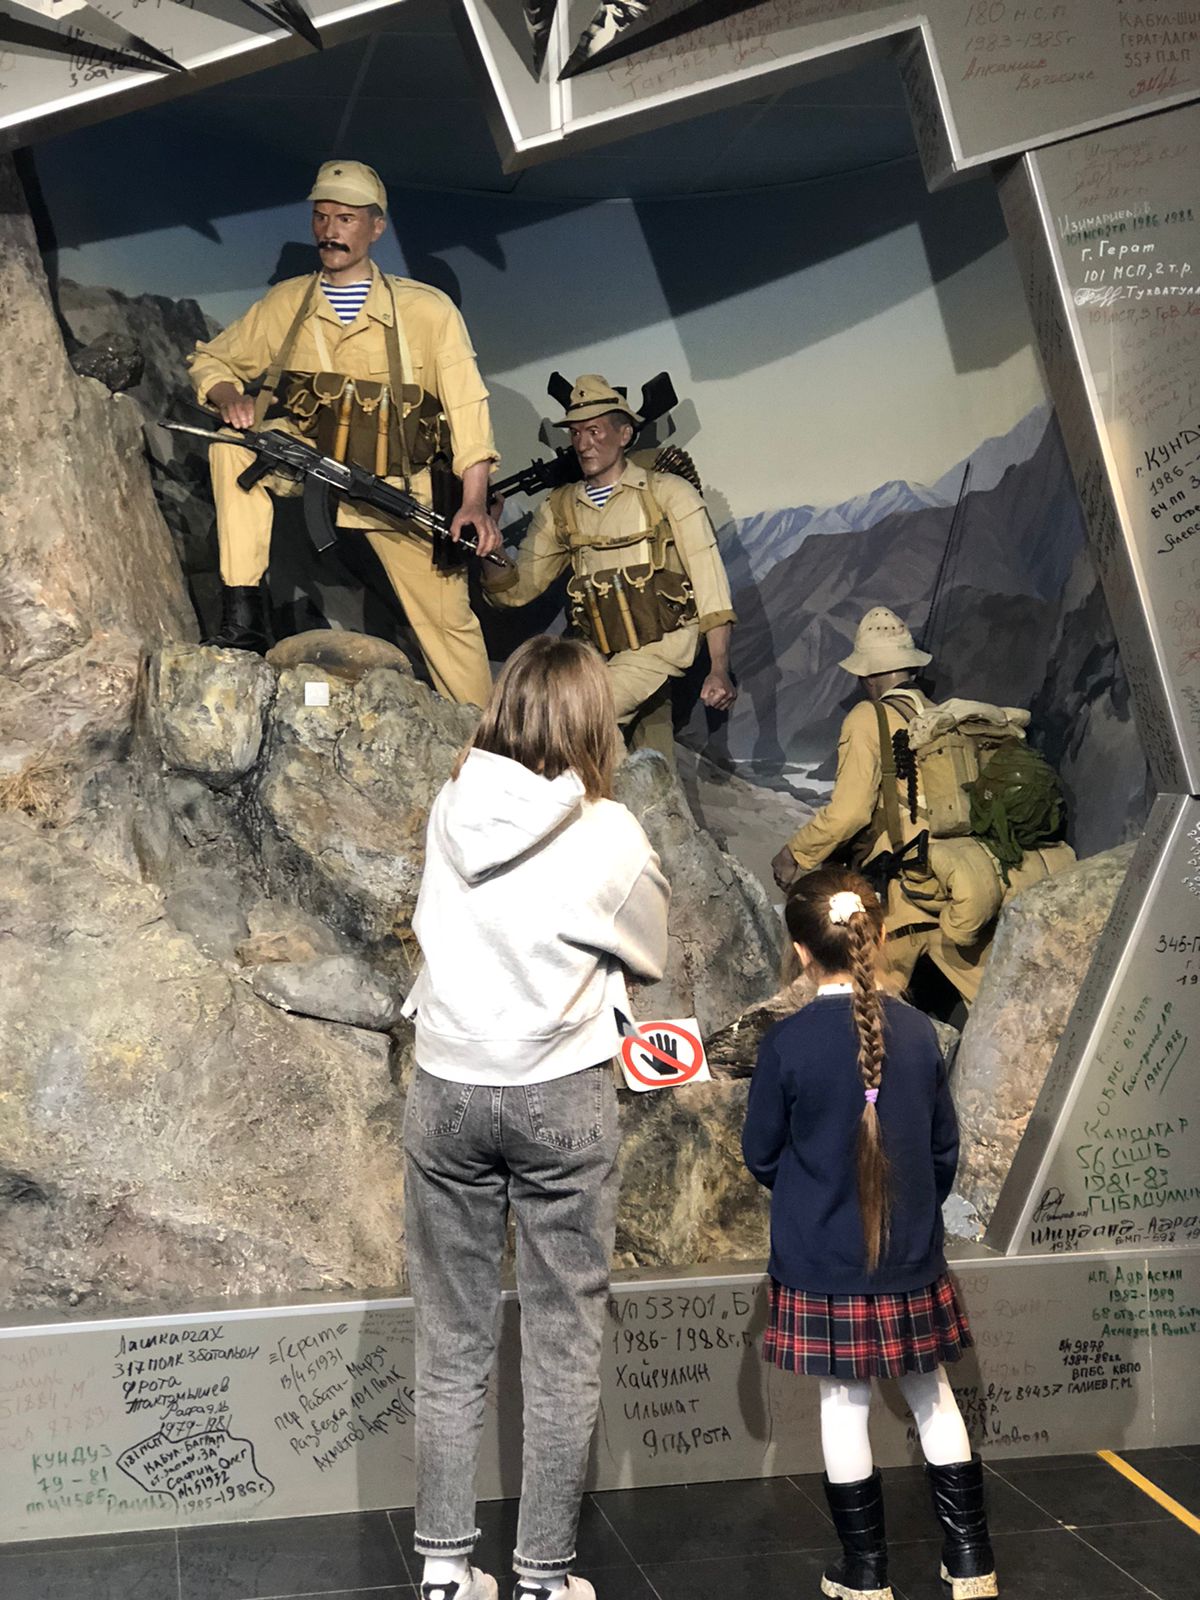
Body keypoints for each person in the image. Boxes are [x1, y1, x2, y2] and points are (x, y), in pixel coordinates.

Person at [401, 634, 670, 1600]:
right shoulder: (611, 832)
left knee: (450, 1335)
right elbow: (649, 948)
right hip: (560, 1088)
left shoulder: (452, 804)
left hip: (447, 1083)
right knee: (562, 1342)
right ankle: (544, 1579)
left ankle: (443, 1568)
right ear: (596, 721)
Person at [742, 867, 998, 1600]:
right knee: (932, 1395)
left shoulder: (787, 1044)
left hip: (821, 1259)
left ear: (800, 951)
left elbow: (761, 1153)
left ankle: (865, 1571)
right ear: (879, 936)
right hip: (910, 1255)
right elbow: (944, 1150)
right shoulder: (918, 1032)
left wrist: (811, 1198)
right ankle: (971, 1562)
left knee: (844, 1404)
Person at [187, 160, 500, 703]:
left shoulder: (427, 311)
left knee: (449, 628)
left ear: (376, 227)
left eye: (347, 219)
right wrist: (228, 396)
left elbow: (468, 411)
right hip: (313, 469)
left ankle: (486, 737)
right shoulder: (289, 303)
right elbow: (211, 360)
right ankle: (243, 619)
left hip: (398, 488)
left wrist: (473, 501)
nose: (330, 231)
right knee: (234, 448)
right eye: (322, 217)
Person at [770, 607, 1070, 1009]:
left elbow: (850, 812)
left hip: (903, 892)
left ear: (868, 676)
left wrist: (795, 854)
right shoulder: (943, 719)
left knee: (861, 1008)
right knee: (1001, 1007)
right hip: (956, 880)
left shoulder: (868, 717)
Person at [482, 374, 737, 765]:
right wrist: (489, 541)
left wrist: (719, 668)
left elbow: (711, 586)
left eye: (595, 431)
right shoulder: (560, 508)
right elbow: (515, 591)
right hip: (595, 651)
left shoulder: (668, 494)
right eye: (576, 433)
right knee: (652, 751)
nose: (583, 444)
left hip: (659, 645)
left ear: (625, 434)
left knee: (582, 716)